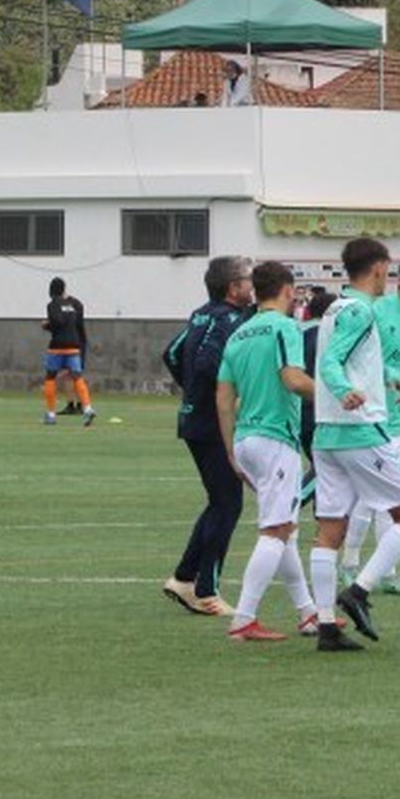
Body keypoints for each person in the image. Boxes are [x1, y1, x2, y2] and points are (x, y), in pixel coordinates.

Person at [309, 238, 400, 652]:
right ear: (378, 268)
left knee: (330, 530)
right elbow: (331, 363)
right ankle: (358, 592)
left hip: (325, 433)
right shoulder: (361, 311)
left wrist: (389, 372)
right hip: (359, 431)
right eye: (389, 269)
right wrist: (345, 390)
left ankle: (326, 626)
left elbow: (350, 358)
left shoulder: (334, 308)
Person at [214, 261, 321, 642]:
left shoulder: (238, 335)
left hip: (245, 440)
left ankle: (309, 613)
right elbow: (292, 379)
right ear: (288, 291)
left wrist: (230, 451)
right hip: (276, 438)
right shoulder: (284, 327)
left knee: (286, 529)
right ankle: (244, 618)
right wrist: (336, 394)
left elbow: (224, 397)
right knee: (276, 530)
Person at [161, 256, 254, 617]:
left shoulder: (201, 313)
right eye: (247, 280)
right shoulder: (229, 320)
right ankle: (206, 591)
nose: (252, 285)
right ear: (234, 289)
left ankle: (185, 577)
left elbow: (171, 353)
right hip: (212, 423)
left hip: (194, 419)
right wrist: (221, 395)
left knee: (220, 501)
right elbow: (204, 363)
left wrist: (193, 394)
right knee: (228, 503)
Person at [340, 253, 400, 597]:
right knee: (367, 500)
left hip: (396, 426)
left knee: (395, 498)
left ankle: (387, 571)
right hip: (368, 419)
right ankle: (350, 564)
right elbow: (357, 362)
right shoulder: (376, 313)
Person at [297, 289, 337, 506]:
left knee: (325, 470)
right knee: (327, 467)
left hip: (296, 407)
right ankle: (293, 503)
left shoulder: (296, 331)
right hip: (319, 409)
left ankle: (323, 521)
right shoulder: (326, 334)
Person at [41, 277, 95, 426]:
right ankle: (88, 408)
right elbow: (74, 324)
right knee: (77, 376)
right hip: (73, 345)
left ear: (51, 291)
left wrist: (47, 326)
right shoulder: (72, 305)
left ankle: (51, 414)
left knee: (50, 376)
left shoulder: (52, 305)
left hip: (57, 346)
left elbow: (58, 322)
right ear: (64, 289)